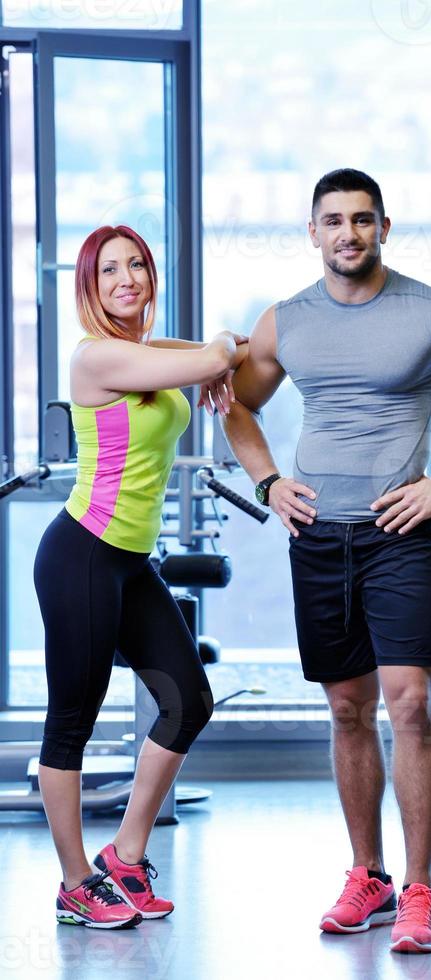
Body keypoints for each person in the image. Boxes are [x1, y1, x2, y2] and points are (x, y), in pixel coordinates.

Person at [222, 169, 431, 955]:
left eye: (362, 220)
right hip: (318, 537)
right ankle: (368, 875)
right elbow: (236, 405)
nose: (348, 234)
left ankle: (420, 890)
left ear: (384, 228)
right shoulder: (285, 321)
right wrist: (267, 480)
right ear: (313, 231)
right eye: (333, 221)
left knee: (408, 706)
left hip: (399, 534)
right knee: (346, 710)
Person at [34, 224, 247, 929]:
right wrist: (215, 358)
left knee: (189, 700)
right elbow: (218, 353)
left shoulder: (144, 351)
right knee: (72, 726)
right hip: (82, 556)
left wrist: (216, 354)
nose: (127, 279)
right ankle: (74, 884)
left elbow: (222, 345)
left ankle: (125, 856)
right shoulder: (96, 358)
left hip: (130, 561)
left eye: (138, 266)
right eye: (110, 272)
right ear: (89, 289)